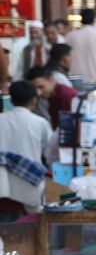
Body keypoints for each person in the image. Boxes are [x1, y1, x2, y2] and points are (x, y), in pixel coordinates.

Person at [0, 81, 52, 219]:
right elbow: (50, 155)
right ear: (34, 100)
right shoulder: (40, 123)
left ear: (11, 100)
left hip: (2, 189)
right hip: (29, 188)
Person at [66, 9, 96, 86]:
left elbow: (66, 58)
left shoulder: (70, 36)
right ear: (94, 20)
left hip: (76, 79)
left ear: (81, 19)